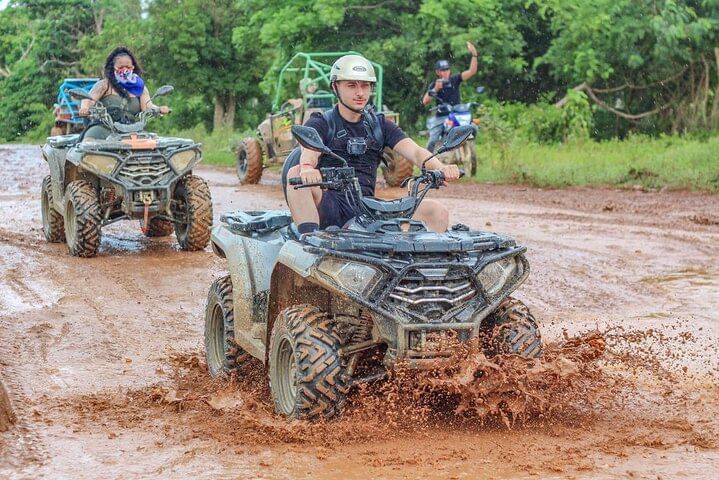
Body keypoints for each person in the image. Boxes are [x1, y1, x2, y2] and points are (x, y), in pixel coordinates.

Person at [284, 54, 460, 234]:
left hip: (368, 209)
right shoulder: (321, 122)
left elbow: (415, 152)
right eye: (351, 85)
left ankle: (417, 253)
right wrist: (307, 168)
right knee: (295, 173)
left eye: (365, 85)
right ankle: (309, 240)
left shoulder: (380, 125)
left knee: (437, 211)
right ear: (335, 87)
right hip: (330, 206)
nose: (360, 93)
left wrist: (441, 168)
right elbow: (310, 151)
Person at [78, 46, 169, 139]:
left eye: (128, 67)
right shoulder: (105, 84)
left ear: (133, 67)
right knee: (89, 141)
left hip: (132, 130)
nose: (125, 70)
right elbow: (88, 99)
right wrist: (84, 108)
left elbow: (147, 106)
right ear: (113, 68)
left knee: (153, 142)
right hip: (104, 127)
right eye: (121, 67)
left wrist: (159, 109)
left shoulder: (140, 88)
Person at [421, 41, 478, 152]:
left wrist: (474, 55)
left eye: (447, 69)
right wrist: (435, 89)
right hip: (441, 116)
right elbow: (424, 101)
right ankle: (427, 160)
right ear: (438, 72)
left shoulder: (455, 79)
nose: (445, 72)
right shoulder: (435, 84)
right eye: (443, 70)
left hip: (456, 114)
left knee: (472, 128)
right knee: (432, 141)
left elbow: (472, 71)